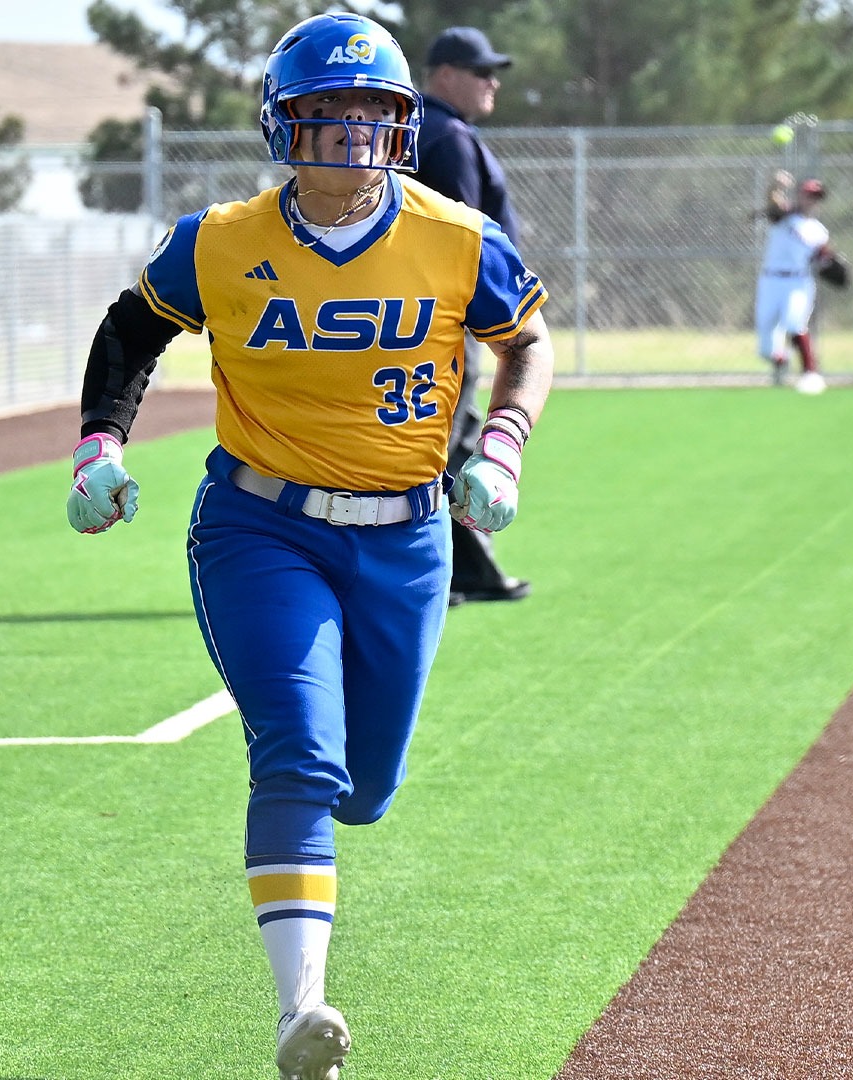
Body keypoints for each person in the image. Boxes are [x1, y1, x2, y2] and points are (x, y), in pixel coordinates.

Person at [62, 13, 552, 1080]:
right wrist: (99, 444)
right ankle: (303, 1014)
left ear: (404, 125)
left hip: (409, 538)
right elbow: (132, 326)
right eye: (327, 116)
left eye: (372, 115)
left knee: (364, 787)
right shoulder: (222, 241)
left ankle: (314, 888)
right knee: (296, 749)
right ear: (287, 125)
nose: (350, 138)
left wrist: (504, 448)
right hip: (260, 525)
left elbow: (527, 342)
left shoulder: (457, 236)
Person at [412, 25, 529, 606]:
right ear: (444, 76)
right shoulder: (449, 137)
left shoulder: (414, 133)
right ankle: (427, 568)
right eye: (482, 71)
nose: (493, 83)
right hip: (447, 322)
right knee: (442, 441)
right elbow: (463, 241)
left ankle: (468, 570)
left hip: (411, 319)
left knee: (447, 441)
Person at [755, 171, 834, 395]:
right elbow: (772, 204)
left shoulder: (819, 231)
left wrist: (830, 262)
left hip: (798, 282)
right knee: (765, 346)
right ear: (800, 195)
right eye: (809, 195)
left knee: (794, 324)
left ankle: (811, 374)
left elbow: (823, 257)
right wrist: (775, 186)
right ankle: (781, 360)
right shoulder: (784, 216)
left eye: (816, 197)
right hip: (770, 280)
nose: (812, 200)